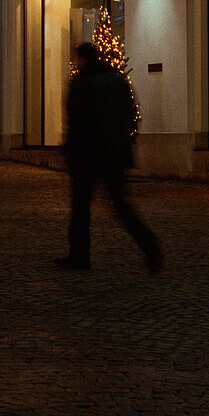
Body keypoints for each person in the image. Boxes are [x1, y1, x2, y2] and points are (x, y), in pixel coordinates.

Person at [55, 42, 162, 275]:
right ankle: (150, 245)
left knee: (81, 206)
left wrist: (70, 152)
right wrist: (125, 142)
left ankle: (79, 256)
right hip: (114, 153)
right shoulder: (118, 80)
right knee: (121, 205)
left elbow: (76, 121)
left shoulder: (82, 82)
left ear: (82, 59)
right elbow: (131, 114)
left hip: (87, 154)